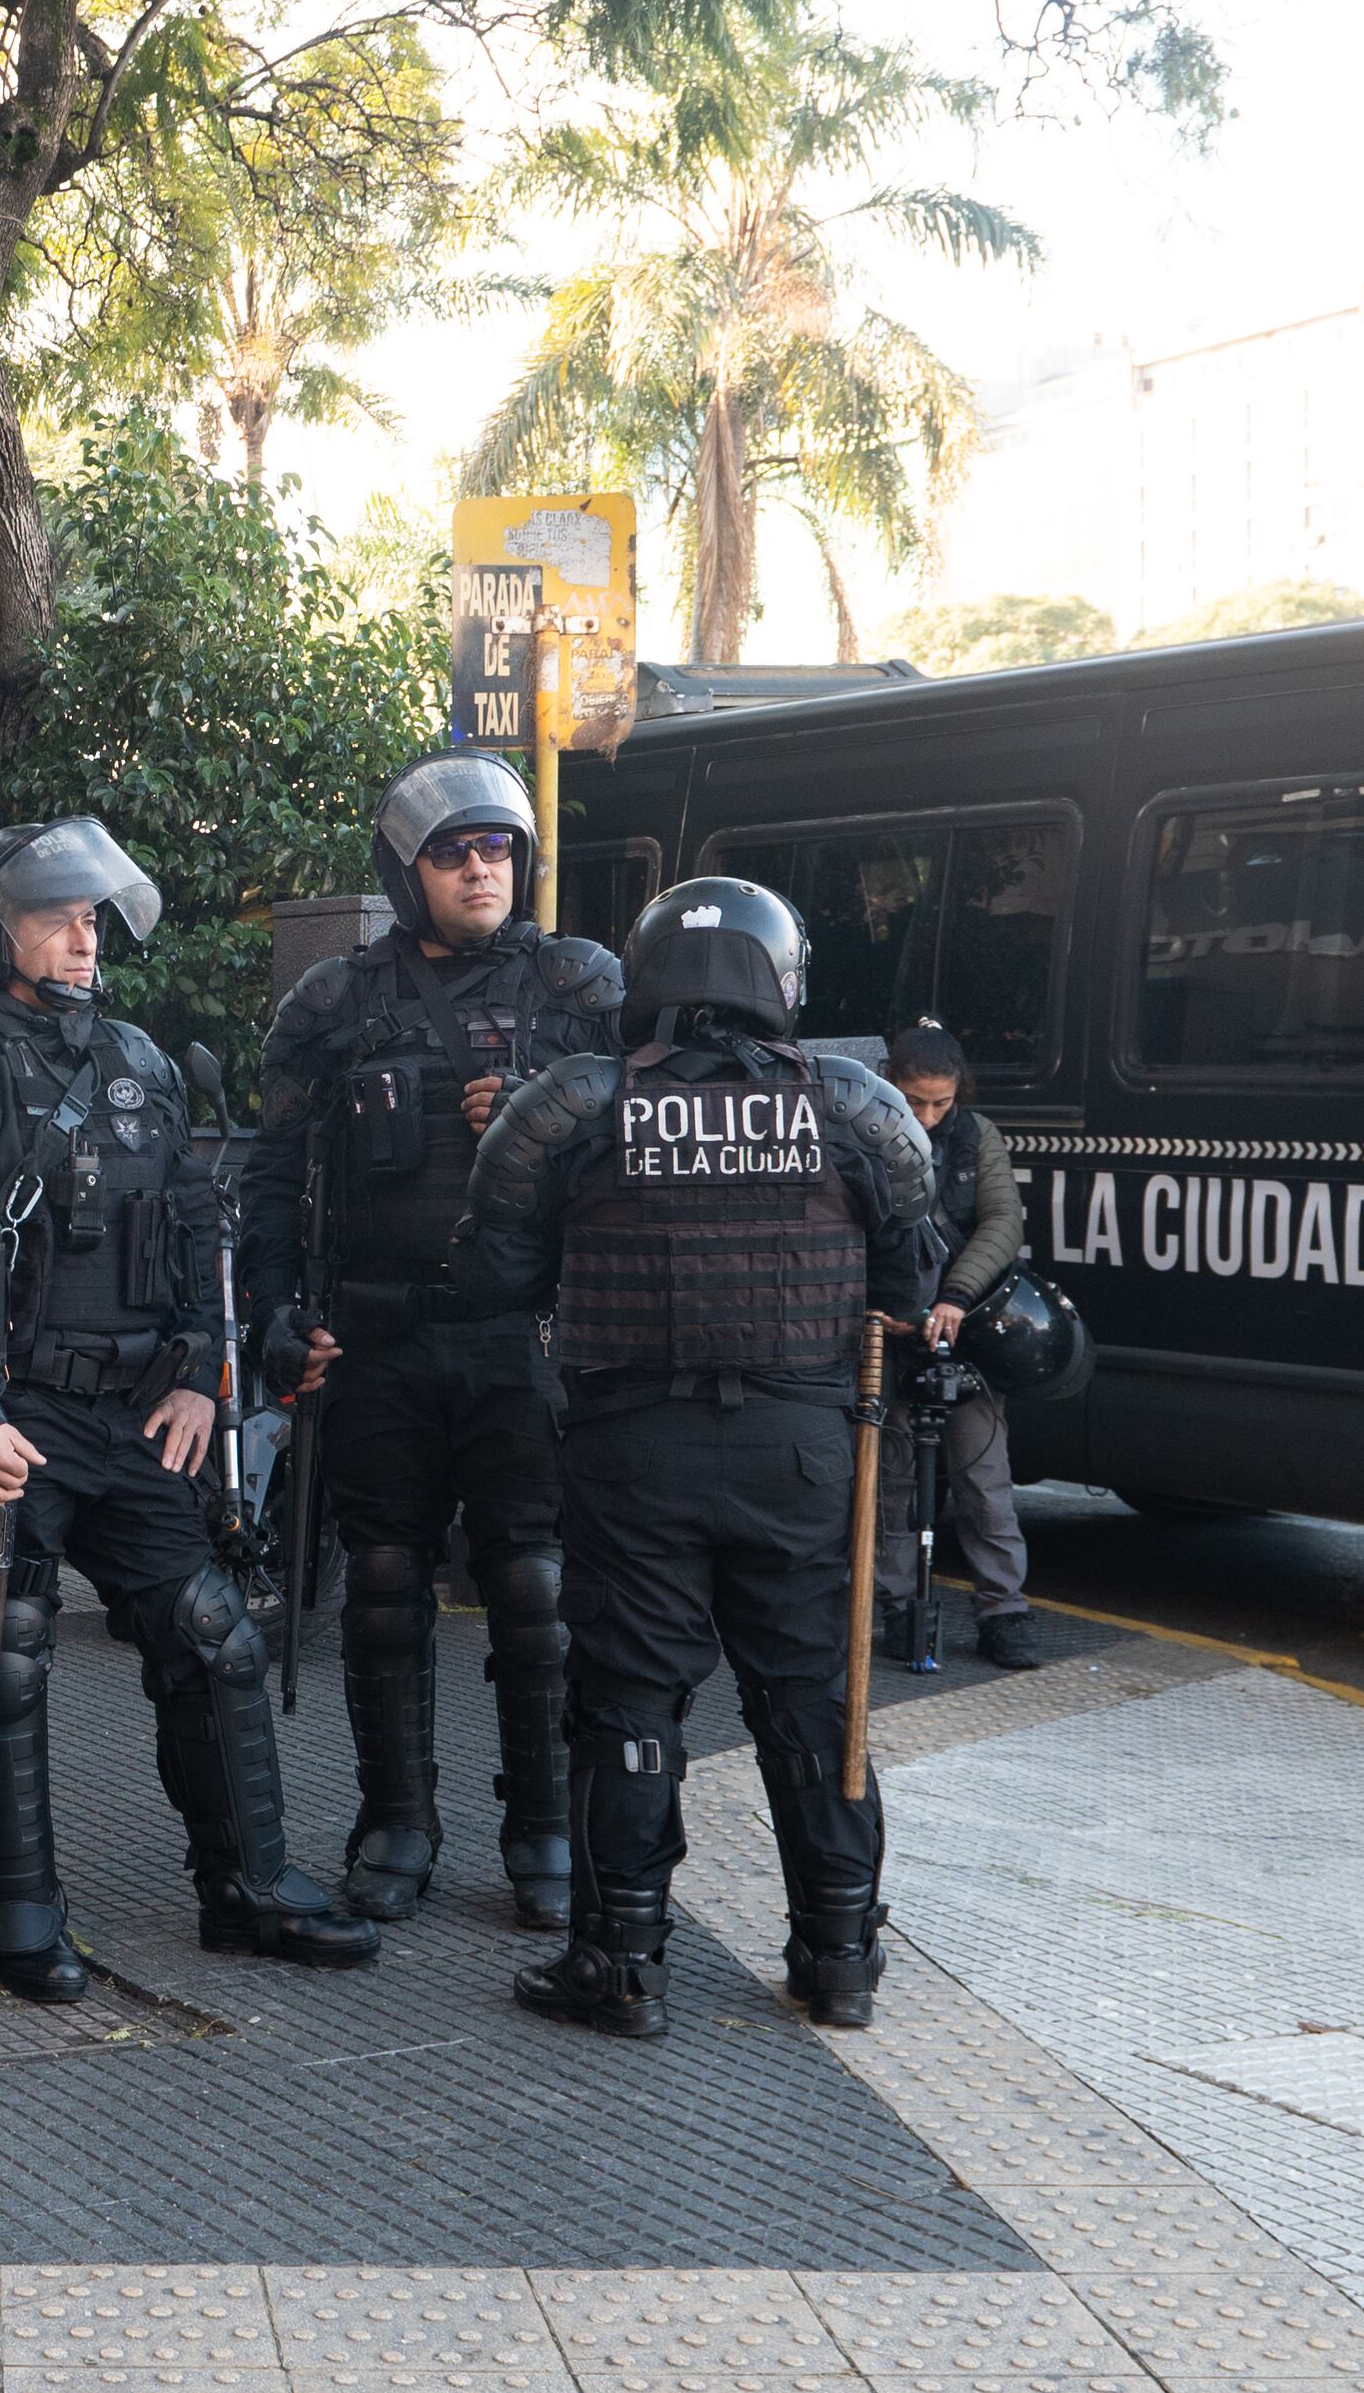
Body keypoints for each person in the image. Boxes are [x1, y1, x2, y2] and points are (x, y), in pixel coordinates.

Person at [0, 823, 381, 1999]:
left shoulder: (139, 1060)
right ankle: (18, 1907)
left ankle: (247, 1886)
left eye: (94, 915)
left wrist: (200, 1373)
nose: (86, 935)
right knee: (11, 1652)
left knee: (214, 1636)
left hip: (136, 1417)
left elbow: (202, 1231)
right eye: (58, 915)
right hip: (11, 1415)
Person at [440, 876, 943, 2041]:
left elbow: (490, 1283)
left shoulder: (570, 1105)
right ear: (781, 979)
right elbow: (910, 1283)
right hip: (804, 1451)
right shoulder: (855, 1106)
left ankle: (620, 1963)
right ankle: (838, 1959)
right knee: (812, 1703)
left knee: (628, 1698)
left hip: (634, 1454)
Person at [246, 756, 622, 1926]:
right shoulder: (333, 1003)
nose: (479, 869)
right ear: (406, 872)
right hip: (375, 1339)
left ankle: (545, 1831)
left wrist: (545, 1115)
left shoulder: (582, 991)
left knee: (534, 1586)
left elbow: (640, 1155)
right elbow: (267, 1180)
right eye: (454, 852)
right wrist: (271, 1323)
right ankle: (395, 1820)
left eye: (496, 848)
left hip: (521, 1339)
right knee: (381, 1582)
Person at [877, 1021, 1045, 1672]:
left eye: (940, 1103)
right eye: (915, 1100)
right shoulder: (869, 1132)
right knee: (891, 1480)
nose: (927, 1115)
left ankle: (1004, 1611)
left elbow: (1004, 1222)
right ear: (891, 1083)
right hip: (892, 1330)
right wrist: (884, 1307)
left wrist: (956, 1296)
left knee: (984, 1480)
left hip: (964, 1329)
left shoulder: (977, 1136)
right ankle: (892, 1605)